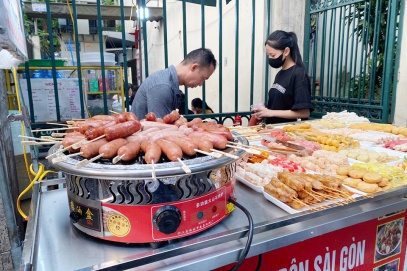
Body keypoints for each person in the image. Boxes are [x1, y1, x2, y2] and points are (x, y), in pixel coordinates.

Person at [131, 48, 217, 119]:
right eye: (203, 78)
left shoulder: (168, 82)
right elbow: (161, 131)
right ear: (194, 67)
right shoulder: (163, 87)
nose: (201, 84)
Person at [252, 30, 314, 124]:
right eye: (269, 55)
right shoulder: (280, 74)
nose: (271, 59)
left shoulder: (299, 74)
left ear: (286, 51)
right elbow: (280, 105)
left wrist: (270, 112)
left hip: (287, 132)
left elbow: (304, 113)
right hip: (272, 130)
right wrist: (263, 111)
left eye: (273, 55)